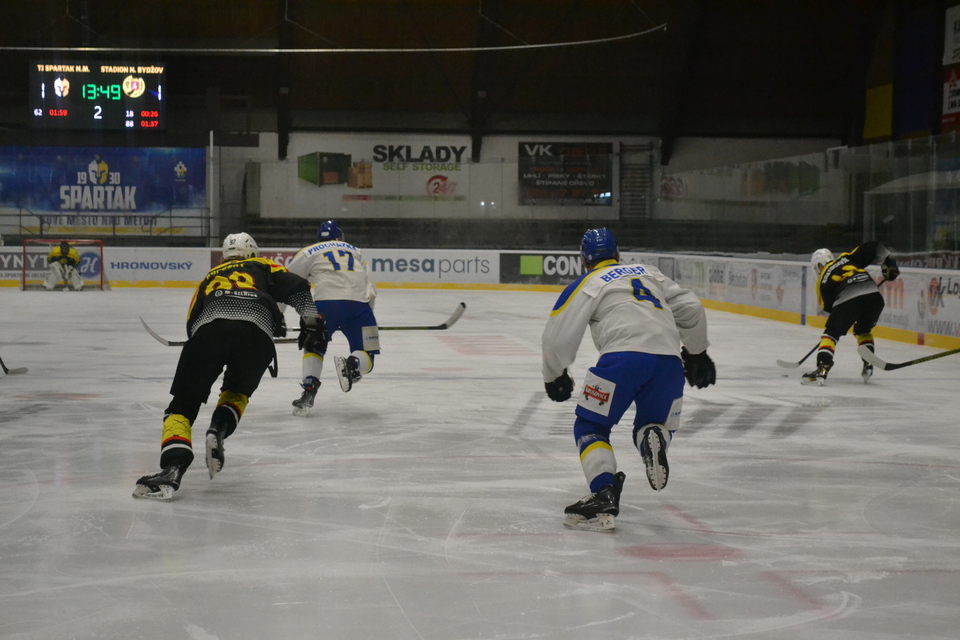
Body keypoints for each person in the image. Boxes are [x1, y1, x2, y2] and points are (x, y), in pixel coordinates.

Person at [542, 228, 716, 532]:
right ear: (618, 254)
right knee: (656, 424)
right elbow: (691, 308)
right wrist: (697, 352)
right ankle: (654, 438)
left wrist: (554, 374)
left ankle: (604, 491)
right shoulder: (650, 273)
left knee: (590, 426)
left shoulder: (588, 282)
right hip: (669, 363)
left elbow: (557, 336)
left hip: (621, 361)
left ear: (583, 259)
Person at [133, 232, 328, 500]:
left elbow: (192, 319)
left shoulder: (210, 275)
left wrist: (200, 350)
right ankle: (218, 429)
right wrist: (311, 324)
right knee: (236, 393)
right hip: (256, 337)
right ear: (253, 251)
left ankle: (172, 469)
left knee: (183, 406)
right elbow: (298, 287)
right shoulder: (264, 265)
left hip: (209, 332)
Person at [285, 220, 380, 416]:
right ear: (340, 237)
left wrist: (277, 315)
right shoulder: (355, 251)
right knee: (367, 355)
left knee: (314, 347)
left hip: (324, 305)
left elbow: (286, 282)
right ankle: (353, 364)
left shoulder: (309, 251)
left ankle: (309, 390)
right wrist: (368, 318)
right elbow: (370, 288)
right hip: (359, 306)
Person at [803, 241, 899, 385]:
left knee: (831, 334)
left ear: (819, 265)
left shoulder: (821, 281)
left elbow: (828, 307)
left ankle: (822, 367)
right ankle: (868, 363)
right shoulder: (846, 258)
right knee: (863, 330)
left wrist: (847, 315)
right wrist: (890, 263)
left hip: (848, 299)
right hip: (874, 296)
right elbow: (874, 246)